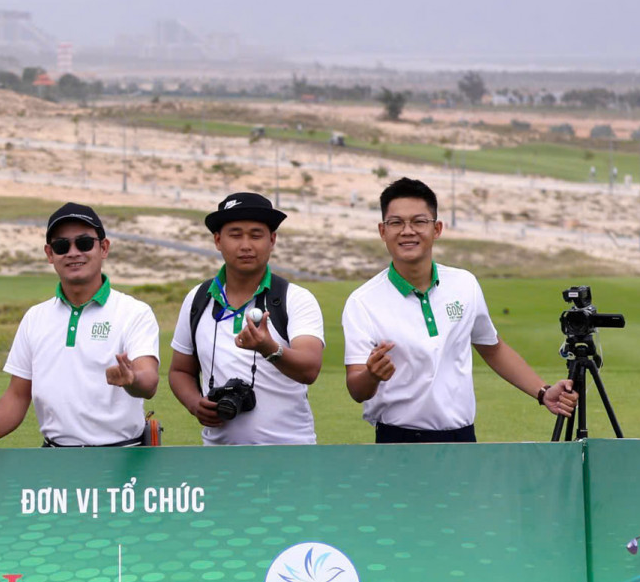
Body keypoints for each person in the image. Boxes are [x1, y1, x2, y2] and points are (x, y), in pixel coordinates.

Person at [342, 177, 576, 442]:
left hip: (463, 438)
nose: (407, 231)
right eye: (396, 223)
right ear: (383, 231)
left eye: (419, 221)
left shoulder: (464, 284)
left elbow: (493, 347)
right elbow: (357, 389)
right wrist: (372, 376)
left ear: (437, 229)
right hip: (397, 441)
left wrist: (543, 392)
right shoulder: (362, 302)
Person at [0, 202, 159, 454]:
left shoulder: (134, 312)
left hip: (123, 456)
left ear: (104, 248)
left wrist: (132, 380)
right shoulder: (36, 317)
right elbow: (18, 394)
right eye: (61, 246)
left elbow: (149, 380)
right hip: (55, 458)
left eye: (84, 243)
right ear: (49, 254)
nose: (73, 252)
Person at [167, 192, 324, 445]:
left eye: (256, 235)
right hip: (219, 458)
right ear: (218, 240)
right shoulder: (198, 299)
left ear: (272, 240)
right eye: (235, 234)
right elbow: (179, 370)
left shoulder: (295, 299)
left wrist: (269, 348)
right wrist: (194, 403)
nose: (246, 245)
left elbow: (309, 368)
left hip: (291, 456)